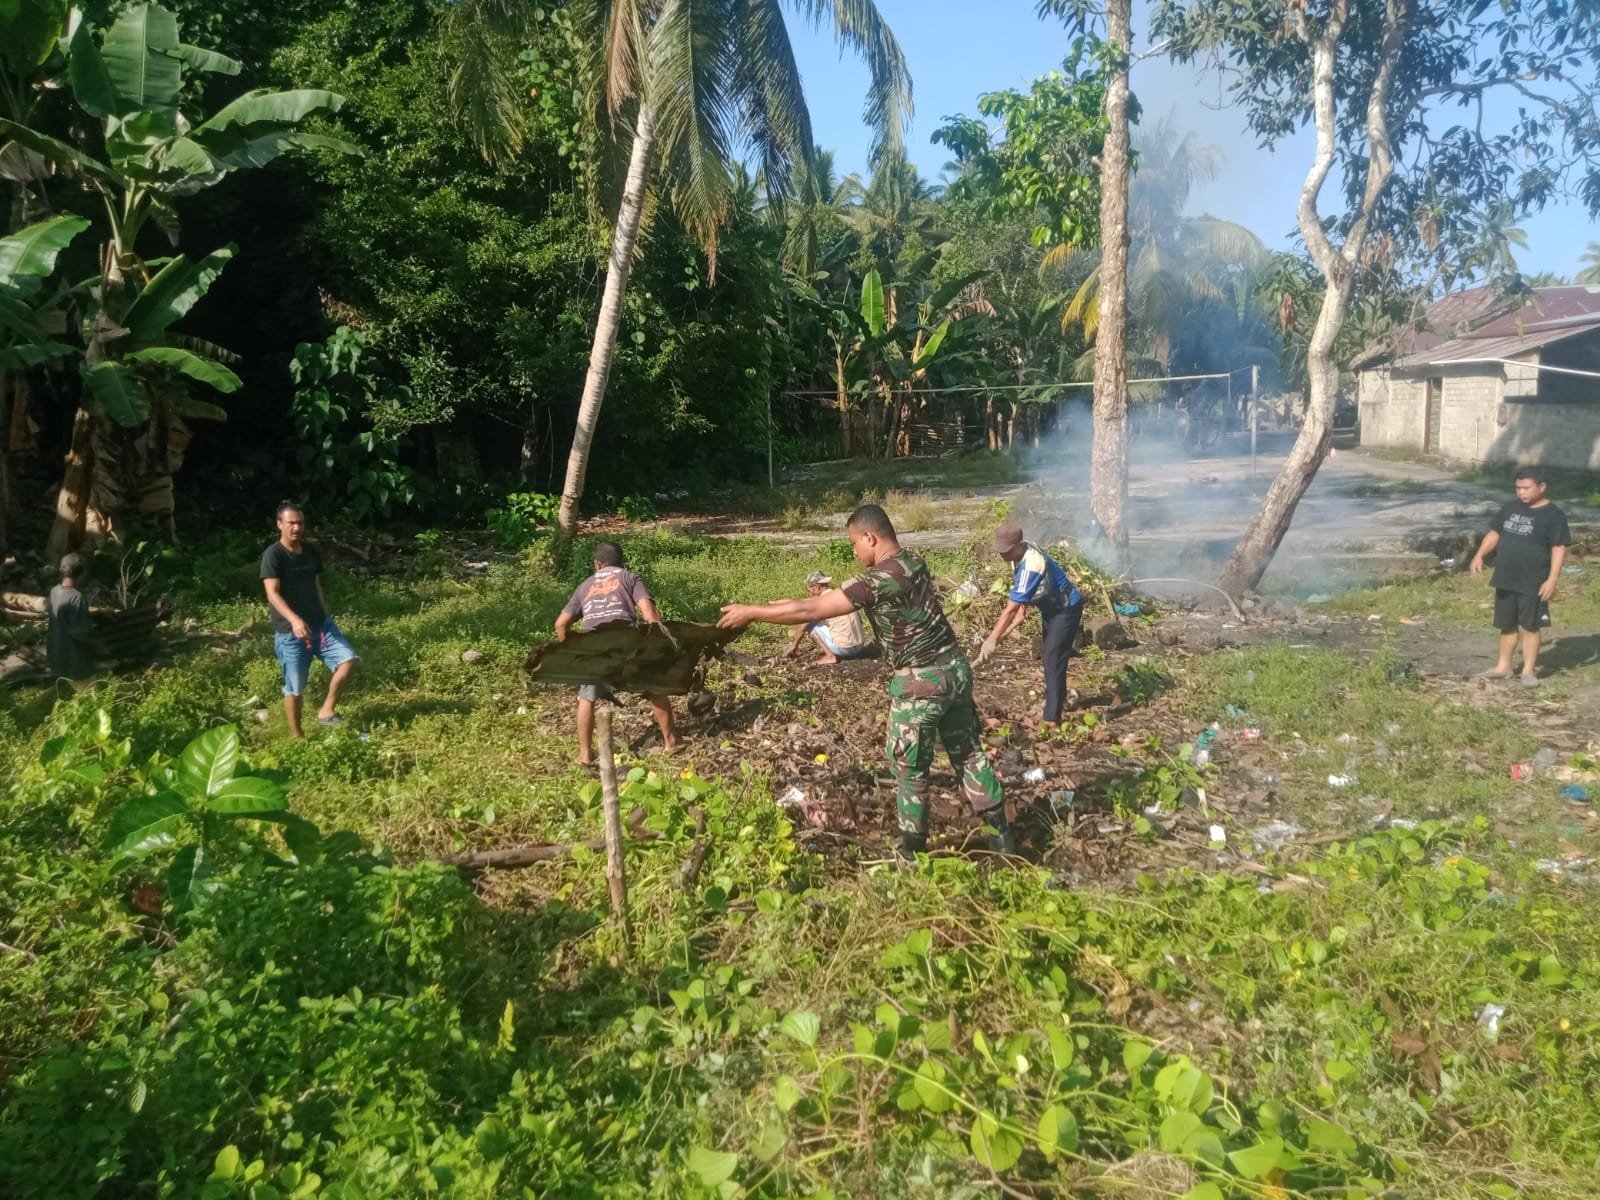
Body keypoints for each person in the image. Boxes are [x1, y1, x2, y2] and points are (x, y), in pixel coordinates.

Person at [719, 504, 1011, 856]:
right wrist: (782, 604)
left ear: (870, 537)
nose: (855, 552)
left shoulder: (876, 580)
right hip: (956, 670)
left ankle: (912, 852)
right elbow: (815, 602)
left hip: (921, 683)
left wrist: (752, 612)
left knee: (910, 768)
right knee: (968, 752)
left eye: (854, 543)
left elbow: (810, 610)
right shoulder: (913, 561)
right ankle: (1002, 837)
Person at [555, 541, 682, 766]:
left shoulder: (585, 586)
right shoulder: (629, 577)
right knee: (654, 687)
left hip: (594, 646)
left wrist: (572, 650)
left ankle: (585, 755)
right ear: (621, 562)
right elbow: (650, 614)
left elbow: (561, 624)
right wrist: (657, 647)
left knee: (586, 697)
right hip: (626, 641)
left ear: (597, 564)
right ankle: (671, 742)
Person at [261, 502, 358, 739]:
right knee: (295, 688)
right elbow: (272, 593)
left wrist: (324, 613)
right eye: (291, 523)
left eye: (300, 522)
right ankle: (298, 738)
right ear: (280, 524)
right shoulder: (273, 555)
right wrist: (294, 620)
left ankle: (326, 711)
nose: (297, 527)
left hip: (320, 626)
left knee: (348, 660)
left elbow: (315, 583)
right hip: (291, 633)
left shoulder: (310, 551)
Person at [975, 523, 1085, 730]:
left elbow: (1009, 610)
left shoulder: (1031, 564)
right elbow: (1026, 587)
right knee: (1050, 656)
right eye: (1001, 550)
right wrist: (1023, 606)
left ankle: (1051, 718)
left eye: (1007, 551)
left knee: (1053, 657)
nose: (1003, 554)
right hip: (1051, 609)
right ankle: (1057, 700)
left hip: (1065, 609)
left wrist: (991, 639)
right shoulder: (1021, 554)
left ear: (1019, 544)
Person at [1470, 466, 1570, 686]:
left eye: (1526, 488)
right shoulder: (1511, 507)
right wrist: (1479, 555)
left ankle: (1528, 672)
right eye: (1518, 488)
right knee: (1506, 624)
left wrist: (1552, 580)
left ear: (1542, 487)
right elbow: (1495, 533)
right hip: (1506, 577)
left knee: (1530, 626)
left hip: (1533, 580)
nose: (1521, 492)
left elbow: (1558, 547)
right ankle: (1503, 666)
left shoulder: (1554, 515)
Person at [785, 570, 870, 665]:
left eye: (810, 590)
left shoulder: (821, 602)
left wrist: (794, 645)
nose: (810, 594)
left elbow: (802, 627)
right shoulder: (841, 595)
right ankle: (836, 645)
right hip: (860, 646)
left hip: (845, 650)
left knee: (811, 624)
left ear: (817, 587)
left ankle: (830, 656)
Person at [47, 553, 97, 686]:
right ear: (82, 574)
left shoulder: (54, 591)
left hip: (56, 655)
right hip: (74, 662)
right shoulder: (77, 597)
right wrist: (98, 646)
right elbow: (80, 633)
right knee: (90, 695)